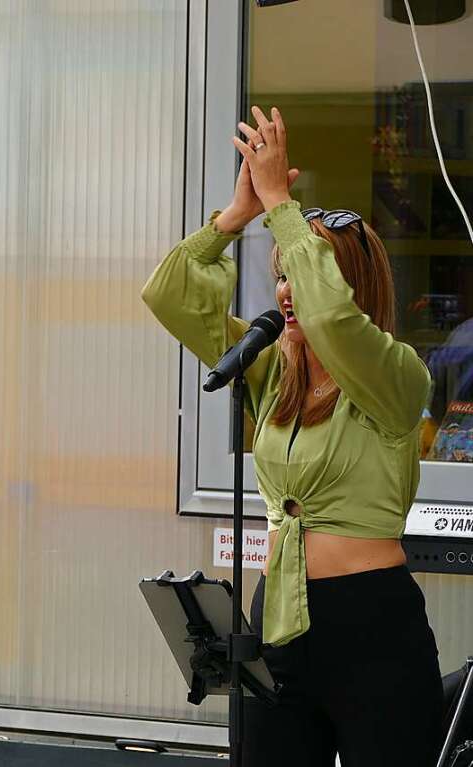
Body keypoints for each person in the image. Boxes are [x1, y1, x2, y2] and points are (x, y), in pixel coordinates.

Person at [142, 106, 443, 766]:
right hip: (277, 615)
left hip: (371, 624)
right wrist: (235, 216)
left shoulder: (394, 374)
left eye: (297, 272)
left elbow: (332, 315)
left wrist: (281, 200)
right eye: (278, 273)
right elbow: (166, 293)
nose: (284, 288)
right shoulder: (268, 373)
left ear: (349, 282)